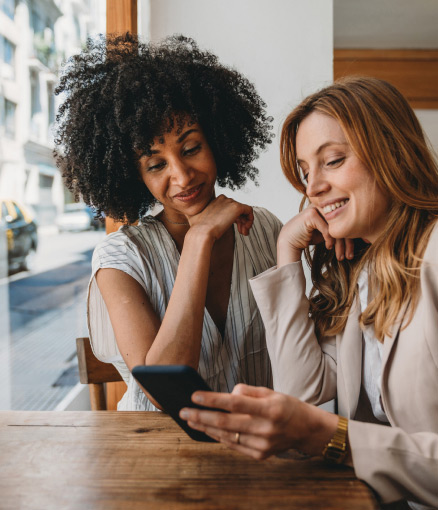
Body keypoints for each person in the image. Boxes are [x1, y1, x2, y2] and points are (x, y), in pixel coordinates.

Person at [180, 76, 438, 509]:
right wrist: (286, 253)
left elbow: (314, 426)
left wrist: (329, 436)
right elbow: (302, 397)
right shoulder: (361, 273)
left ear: (392, 152)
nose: (312, 188)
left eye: (332, 160)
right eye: (304, 171)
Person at [54, 33, 282, 410]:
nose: (182, 175)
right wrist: (199, 238)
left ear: (218, 142)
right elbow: (163, 393)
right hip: (156, 456)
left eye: (191, 148)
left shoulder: (266, 230)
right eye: (156, 164)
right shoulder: (120, 258)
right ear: (133, 176)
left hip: (257, 449)